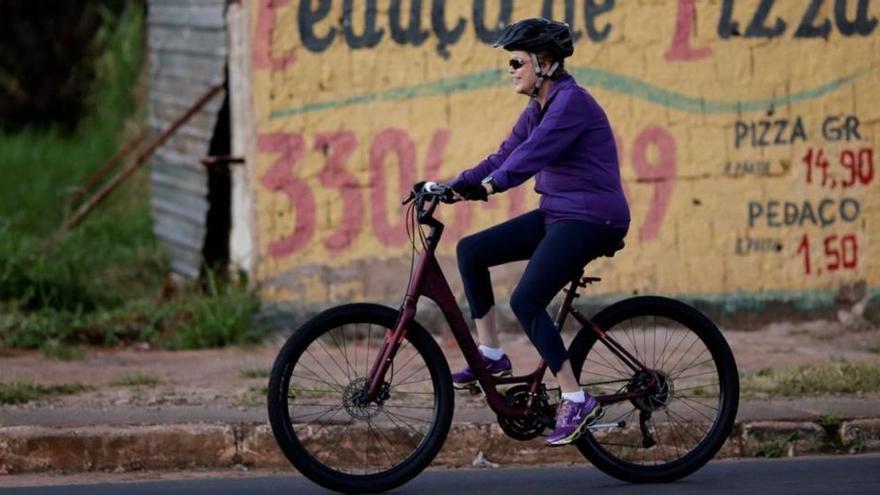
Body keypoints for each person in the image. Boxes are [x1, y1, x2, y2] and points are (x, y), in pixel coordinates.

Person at [443, 18, 630, 446]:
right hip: (557, 213)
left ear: (544, 63)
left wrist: (491, 187)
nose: (510, 69)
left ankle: (575, 396)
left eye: (516, 61)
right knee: (471, 250)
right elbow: (504, 154)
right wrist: (449, 188)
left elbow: (529, 157)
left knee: (526, 299)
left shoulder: (571, 103)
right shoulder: (538, 108)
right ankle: (491, 355)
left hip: (591, 217)